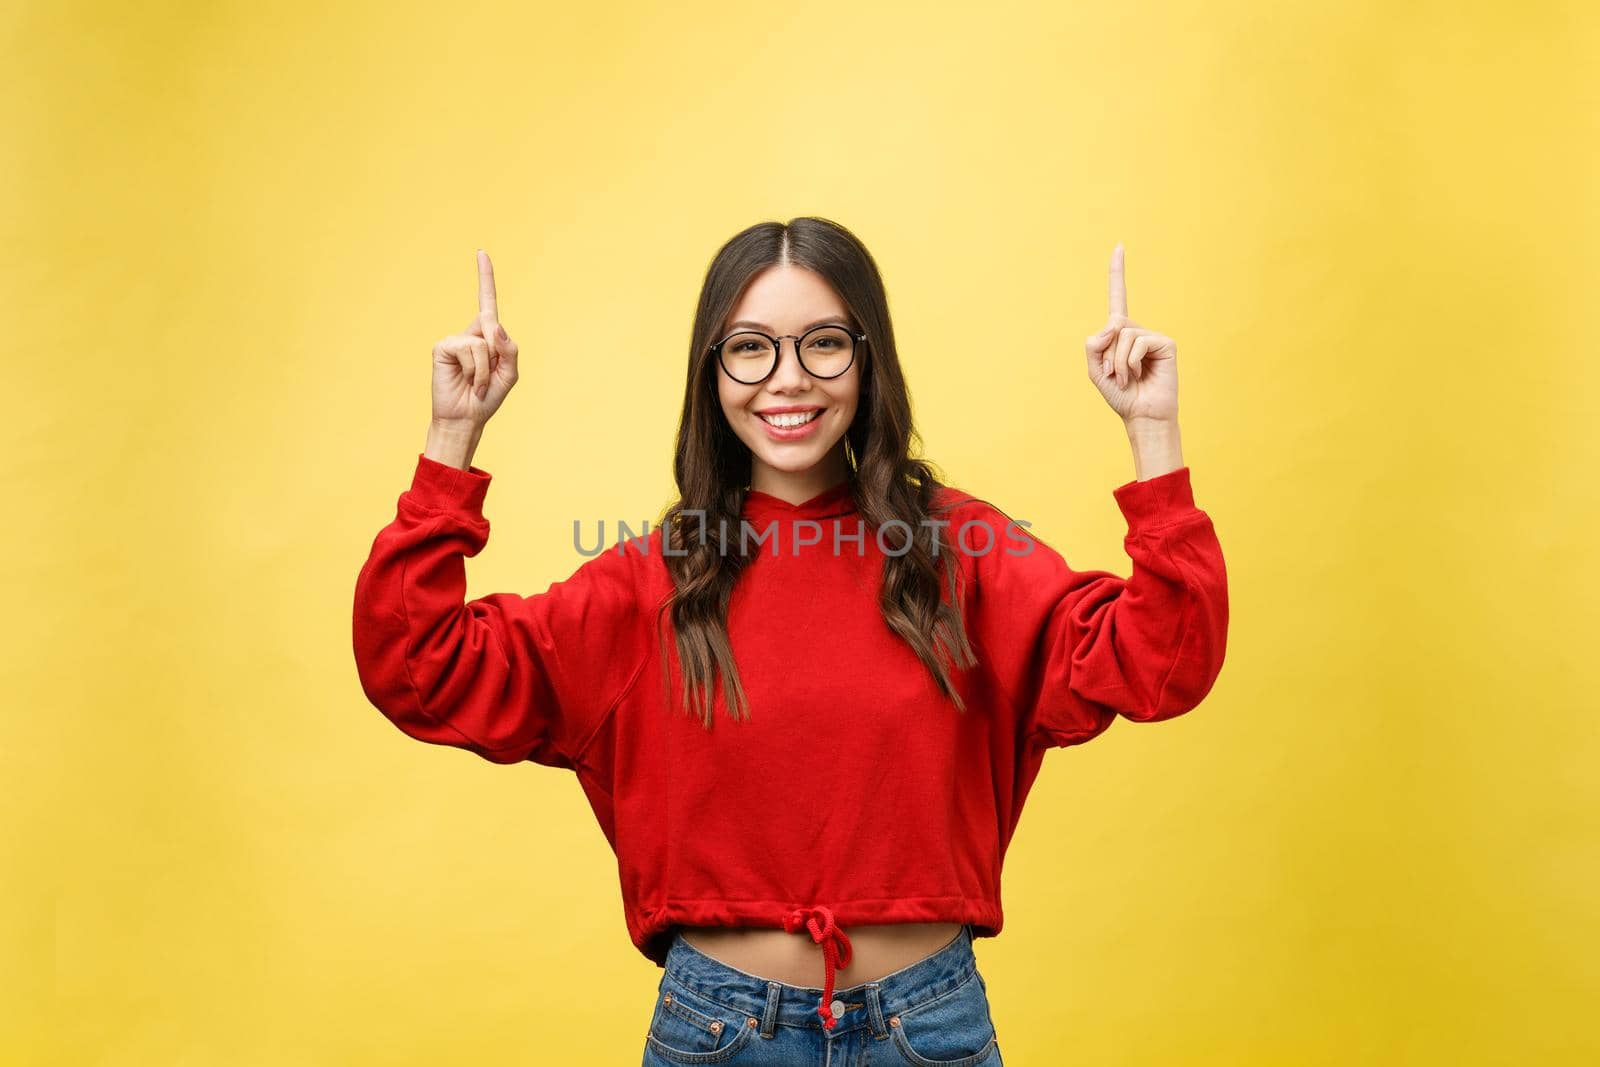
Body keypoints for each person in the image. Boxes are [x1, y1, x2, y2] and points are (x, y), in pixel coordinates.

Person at [352, 218, 1229, 1066]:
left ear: (866, 360)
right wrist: (451, 440)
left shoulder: (962, 552)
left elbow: (1162, 660)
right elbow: (417, 665)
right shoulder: (650, 580)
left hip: (928, 1028)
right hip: (719, 1033)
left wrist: (1152, 432)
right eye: (750, 347)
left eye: (823, 343)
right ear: (713, 372)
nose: (788, 379)